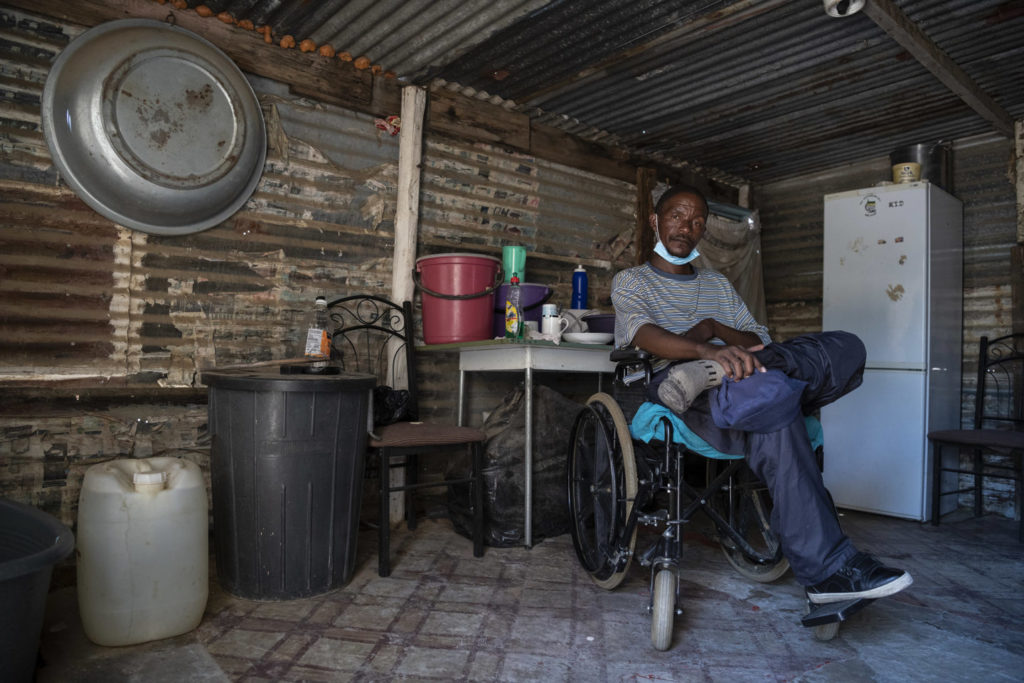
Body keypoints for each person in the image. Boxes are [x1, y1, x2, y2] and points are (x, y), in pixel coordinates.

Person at [611, 184, 912, 604]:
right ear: (654, 220)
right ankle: (829, 571)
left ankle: (721, 374)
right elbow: (643, 334)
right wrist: (703, 348)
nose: (687, 226)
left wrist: (713, 327)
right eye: (677, 215)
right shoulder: (632, 281)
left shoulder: (716, 285)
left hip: (750, 374)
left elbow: (756, 338)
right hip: (680, 387)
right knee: (776, 405)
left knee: (846, 347)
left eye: (697, 220)